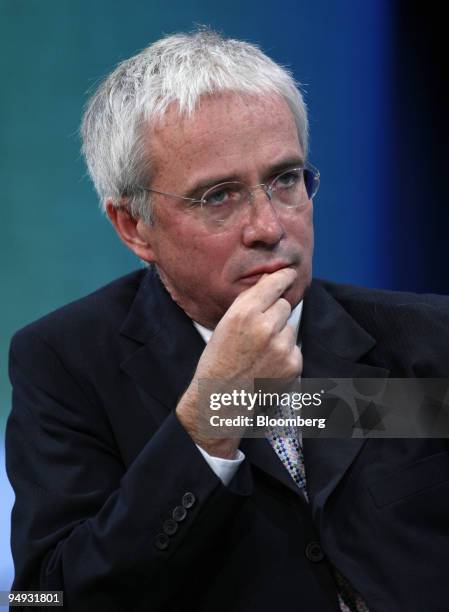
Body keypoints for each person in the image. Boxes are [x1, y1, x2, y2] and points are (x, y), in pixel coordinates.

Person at [6, 29, 449, 612]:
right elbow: (43, 598)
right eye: (219, 196)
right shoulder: (65, 364)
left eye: (285, 179)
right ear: (134, 227)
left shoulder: (427, 340)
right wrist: (212, 414)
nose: (269, 225)